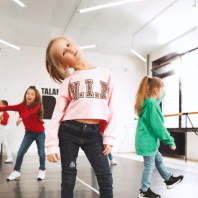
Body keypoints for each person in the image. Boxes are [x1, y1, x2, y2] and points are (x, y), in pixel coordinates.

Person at [45, 37, 116, 198]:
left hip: (94, 133)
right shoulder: (68, 82)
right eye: (64, 52)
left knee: (105, 178)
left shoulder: (106, 74)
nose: (70, 49)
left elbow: (111, 107)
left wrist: (109, 136)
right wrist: (51, 145)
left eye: (68, 45)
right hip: (69, 131)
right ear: (65, 64)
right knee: (68, 178)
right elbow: (57, 114)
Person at [134, 76, 183, 198]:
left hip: (147, 141)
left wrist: (161, 86)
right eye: (161, 90)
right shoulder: (152, 106)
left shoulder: (148, 103)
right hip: (148, 142)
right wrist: (169, 141)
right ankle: (144, 191)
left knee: (158, 159)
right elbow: (158, 126)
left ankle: (168, 179)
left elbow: (160, 96)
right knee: (149, 165)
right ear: (156, 91)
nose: (163, 93)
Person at [0, 86, 46, 181]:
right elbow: (8, 107)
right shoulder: (21, 106)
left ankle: (42, 170)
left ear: (35, 97)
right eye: (28, 93)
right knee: (20, 152)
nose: (29, 95)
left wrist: (21, 118)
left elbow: (29, 112)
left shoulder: (36, 106)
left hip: (40, 133)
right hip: (29, 133)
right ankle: (16, 171)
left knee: (41, 153)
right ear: (25, 95)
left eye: (32, 94)